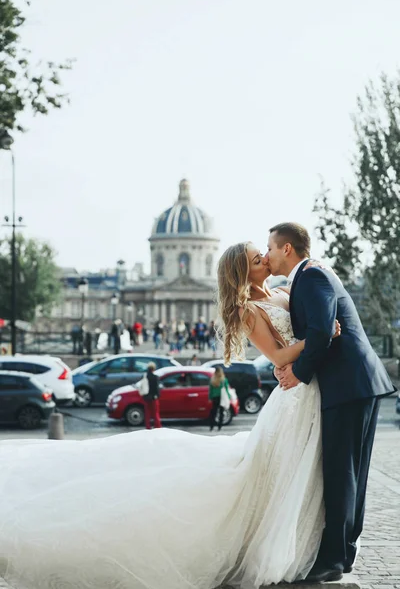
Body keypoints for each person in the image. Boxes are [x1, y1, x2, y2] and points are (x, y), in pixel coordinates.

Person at [0, 240, 342, 589]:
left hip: (303, 392)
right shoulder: (248, 308)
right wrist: (319, 337)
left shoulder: (288, 288)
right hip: (294, 393)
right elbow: (282, 353)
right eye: (258, 258)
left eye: (263, 253)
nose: (267, 258)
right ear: (242, 271)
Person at [265, 222, 396, 583]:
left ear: (287, 249)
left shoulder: (311, 276)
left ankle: (334, 560)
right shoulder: (309, 275)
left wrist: (298, 374)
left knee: (342, 472)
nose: (268, 254)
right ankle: (345, 553)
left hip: (347, 384)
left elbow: (322, 331)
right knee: (351, 471)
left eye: (271, 247)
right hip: (355, 383)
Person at [208, 366, 230, 431]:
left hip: (215, 398)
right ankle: (219, 427)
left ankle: (211, 426)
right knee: (221, 412)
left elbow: (210, 390)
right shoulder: (224, 380)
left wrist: (210, 398)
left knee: (213, 412)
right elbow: (226, 389)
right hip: (222, 398)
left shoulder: (212, 379)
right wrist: (228, 397)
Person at [143, 362, 162, 430]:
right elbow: (157, 389)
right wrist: (158, 395)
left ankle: (148, 426)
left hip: (146, 397)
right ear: (154, 369)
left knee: (147, 413)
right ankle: (157, 426)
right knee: (155, 413)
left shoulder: (145, 377)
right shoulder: (155, 377)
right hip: (154, 397)